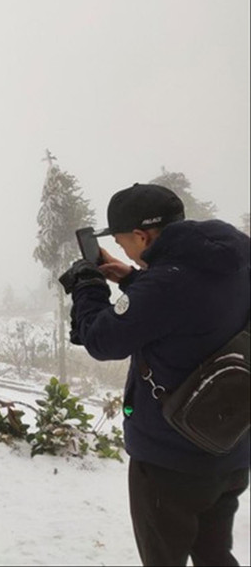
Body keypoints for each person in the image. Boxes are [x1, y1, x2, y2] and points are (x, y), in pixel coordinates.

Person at [58, 182, 250, 566]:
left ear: (142, 235)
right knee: (215, 554)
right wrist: (132, 279)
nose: (123, 248)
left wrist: (89, 285)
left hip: (171, 462)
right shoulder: (233, 257)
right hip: (231, 449)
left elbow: (102, 340)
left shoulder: (165, 285)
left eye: (122, 240)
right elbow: (194, 308)